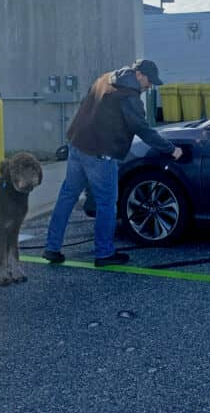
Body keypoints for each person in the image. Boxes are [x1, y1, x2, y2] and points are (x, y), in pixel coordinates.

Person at [43, 59, 182, 267]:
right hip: (100, 154)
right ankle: (104, 254)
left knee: (67, 196)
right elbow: (142, 129)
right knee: (107, 204)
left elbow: (85, 104)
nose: (150, 86)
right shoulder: (129, 96)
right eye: (149, 81)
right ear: (139, 74)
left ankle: (52, 248)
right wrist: (171, 149)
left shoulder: (105, 78)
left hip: (77, 145)